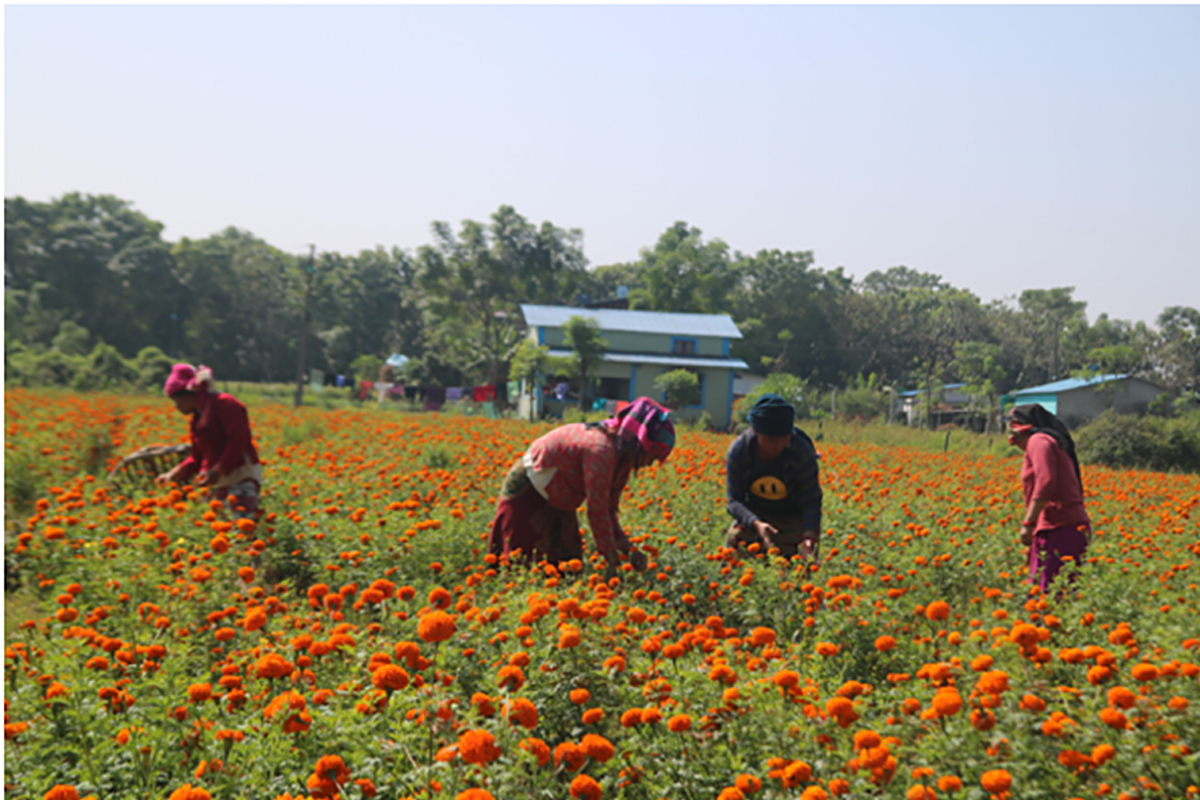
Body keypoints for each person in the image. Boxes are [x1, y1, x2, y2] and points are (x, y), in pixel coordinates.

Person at [487, 396, 675, 572]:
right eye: (652, 456)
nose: (651, 463)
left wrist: (628, 550)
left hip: (560, 499)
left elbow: (608, 511)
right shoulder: (601, 451)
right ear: (639, 444)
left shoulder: (622, 458)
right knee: (520, 563)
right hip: (528, 494)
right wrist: (612, 562)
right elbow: (597, 512)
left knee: (568, 564)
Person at [157, 364, 263, 519]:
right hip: (215, 480)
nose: (176, 406)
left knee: (240, 531)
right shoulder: (198, 416)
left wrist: (218, 470)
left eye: (176, 400)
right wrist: (174, 473)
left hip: (238, 476)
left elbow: (238, 441)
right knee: (217, 529)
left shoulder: (225, 404)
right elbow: (197, 455)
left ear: (188, 394)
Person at [725, 393, 823, 561]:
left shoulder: (801, 451)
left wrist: (808, 539)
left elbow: (811, 500)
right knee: (732, 550)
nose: (778, 446)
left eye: (783, 439)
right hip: (754, 515)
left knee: (801, 567)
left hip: (793, 517)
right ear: (755, 432)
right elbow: (734, 500)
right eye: (770, 440)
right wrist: (756, 523)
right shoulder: (740, 451)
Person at [1007, 403, 1090, 591]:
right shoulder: (1046, 441)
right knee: (1050, 591)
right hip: (1057, 527)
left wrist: (1028, 524)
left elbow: (1045, 482)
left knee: (1050, 594)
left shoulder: (1039, 441)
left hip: (1060, 528)